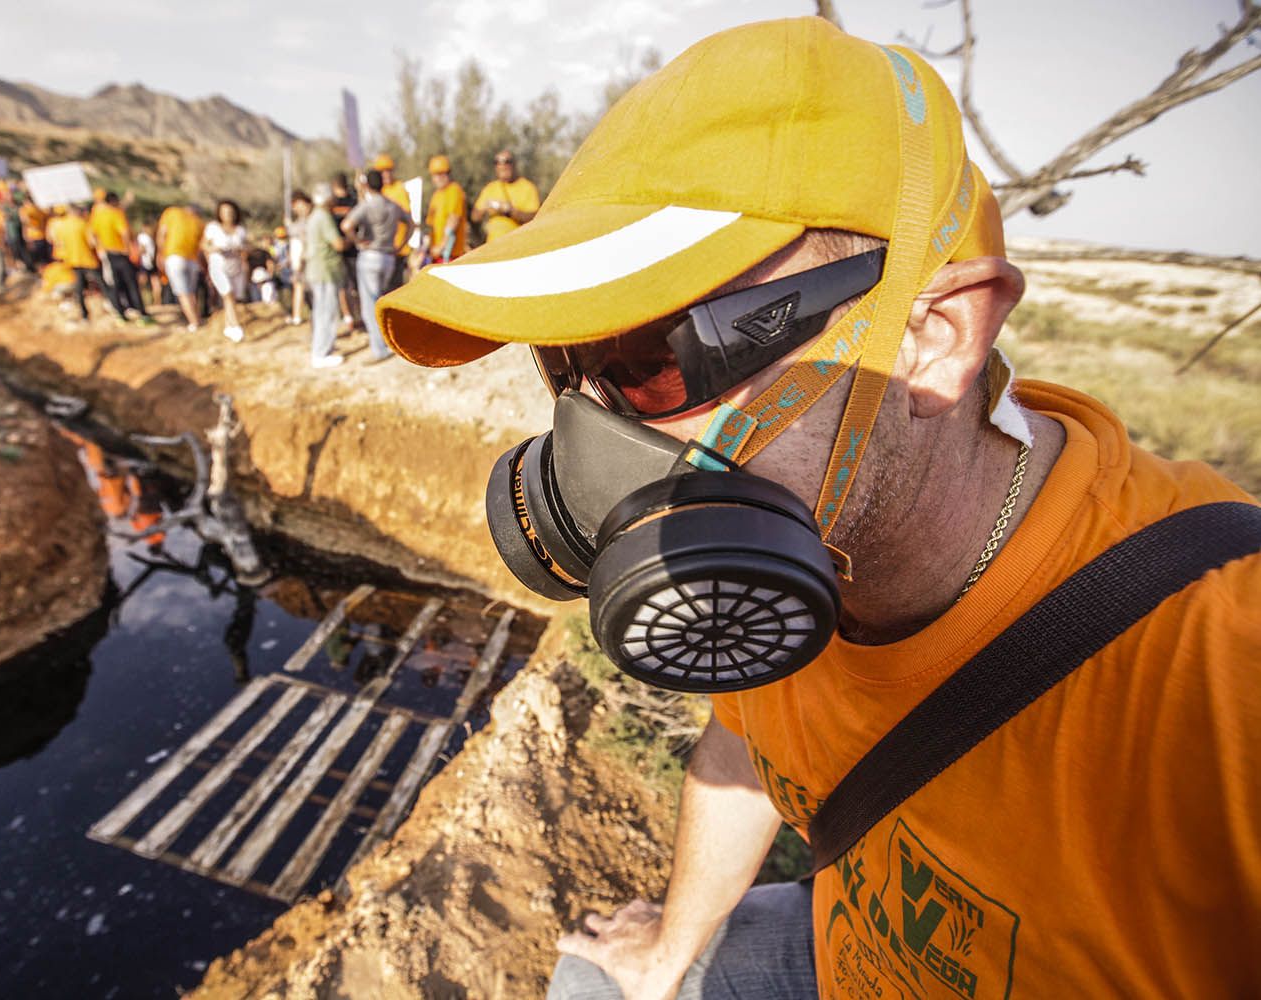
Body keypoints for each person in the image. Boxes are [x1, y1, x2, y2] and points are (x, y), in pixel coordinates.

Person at [376, 18, 1261, 1000]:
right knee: (593, 982)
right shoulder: (801, 551)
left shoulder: (1220, 676)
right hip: (844, 956)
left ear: (932, 334)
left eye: (656, 362)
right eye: (567, 365)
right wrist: (672, 948)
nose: (590, 439)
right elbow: (748, 740)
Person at [341, 168, 411, 363]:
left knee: (370, 306)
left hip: (370, 256)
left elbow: (346, 225)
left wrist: (357, 241)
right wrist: (401, 245)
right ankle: (389, 341)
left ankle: (380, 349)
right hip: (389, 256)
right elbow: (411, 223)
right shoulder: (392, 205)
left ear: (366, 185)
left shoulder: (367, 206)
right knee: (382, 300)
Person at [304, 181, 346, 369]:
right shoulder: (323, 217)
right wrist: (351, 239)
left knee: (320, 311)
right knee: (327, 312)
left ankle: (320, 349)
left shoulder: (314, 216)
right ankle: (321, 353)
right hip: (325, 271)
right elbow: (337, 244)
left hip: (317, 270)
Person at [91, 191, 149, 321]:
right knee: (131, 283)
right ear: (114, 202)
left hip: (107, 253)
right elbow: (124, 232)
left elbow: (92, 235)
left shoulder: (98, 215)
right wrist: (129, 249)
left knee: (115, 284)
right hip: (121, 253)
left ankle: (121, 313)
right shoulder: (116, 214)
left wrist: (100, 247)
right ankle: (141, 313)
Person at [58, 203, 117, 324]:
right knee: (103, 284)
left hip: (72, 260)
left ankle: (85, 316)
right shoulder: (83, 224)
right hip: (87, 259)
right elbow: (92, 242)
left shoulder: (62, 226)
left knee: (79, 289)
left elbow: (60, 244)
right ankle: (114, 307)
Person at [202, 199, 249, 342]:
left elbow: (246, 248)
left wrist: (241, 251)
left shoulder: (240, 230)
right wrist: (213, 250)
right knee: (227, 293)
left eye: (230, 212)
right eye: (224, 212)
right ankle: (236, 326)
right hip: (218, 266)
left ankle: (228, 327)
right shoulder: (213, 228)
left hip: (235, 267)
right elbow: (204, 245)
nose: (228, 215)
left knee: (232, 296)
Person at [471, 149, 540, 243]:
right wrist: (484, 208)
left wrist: (510, 211)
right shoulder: (490, 188)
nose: (502, 165)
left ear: (514, 164)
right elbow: (475, 217)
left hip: (518, 244)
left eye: (507, 161)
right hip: (493, 245)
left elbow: (535, 218)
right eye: (497, 162)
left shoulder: (528, 188)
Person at [157, 202, 205, 331]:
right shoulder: (199, 222)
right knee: (191, 292)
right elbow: (201, 248)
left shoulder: (172, 212)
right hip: (193, 261)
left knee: (183, 293)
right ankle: (197, 319)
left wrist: (160, 254)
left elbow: (162, 234)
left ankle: (194, 323)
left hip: (174, 258)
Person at [374, 154, 414, 291]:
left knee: (393, 289)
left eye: (388, 170)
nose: (385, 174)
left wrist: (402, 244)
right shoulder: (378, 191)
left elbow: (408, 219)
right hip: (381, 249)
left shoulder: (399, 189)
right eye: (382, 171)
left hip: (397, 249)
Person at [330, 172, 362, 333]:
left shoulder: (332, 204)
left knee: (344, 287)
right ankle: (358, 316)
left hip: (342, 250)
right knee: (355, 286)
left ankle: (349, 316)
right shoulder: (353, 200)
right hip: (352, 249)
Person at [423, 154, 467, 266]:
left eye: (442, 174)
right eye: (436, 175)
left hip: (451, 256)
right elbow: (430, 225)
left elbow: (453, 220)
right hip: (436, 256)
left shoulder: (454, 190)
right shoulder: (436, 195)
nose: (439, 178)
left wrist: (441, 246)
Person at [287, 189, 311, 327]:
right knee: (298, 285)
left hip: (309, 259)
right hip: (299, 260)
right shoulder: (297, 223)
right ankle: (297, 315)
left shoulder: (312, 220)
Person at [21, 198, 51, 268]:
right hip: (38, 236)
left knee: (39, 257)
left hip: (35, 236)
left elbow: (25, 221)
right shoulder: (37, 209)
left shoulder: (28, 210)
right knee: (41, 256)